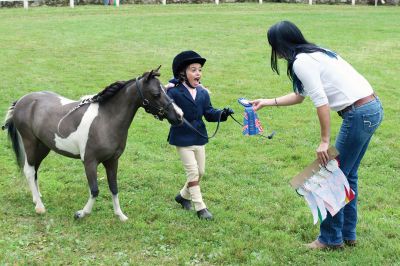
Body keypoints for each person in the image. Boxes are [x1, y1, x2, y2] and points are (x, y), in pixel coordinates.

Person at [250, 21, 383, 249]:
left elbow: (320, 101)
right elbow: (300, 96)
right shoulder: (315, 53)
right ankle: (347, 234)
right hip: (371, 108)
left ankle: (330, 239)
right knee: (346, 175)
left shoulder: (302, 61)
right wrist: (266, 102)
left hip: (359, 114)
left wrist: (324, 141)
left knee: (329, 175)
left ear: (280, 44)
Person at [166, 50, 234, 220]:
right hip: (182, 139)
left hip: (199, 137)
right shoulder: (173, 92)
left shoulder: (203, 93)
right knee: (193, 173)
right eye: (193, 69)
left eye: (200, 70)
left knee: (201, 171)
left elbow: (209, 113)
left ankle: (182, 196)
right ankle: (200, 207)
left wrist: (222, 114)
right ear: (183, 73)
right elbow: (168, 112)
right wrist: (170, 87)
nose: (198, 73)